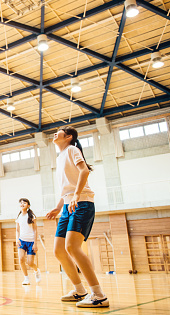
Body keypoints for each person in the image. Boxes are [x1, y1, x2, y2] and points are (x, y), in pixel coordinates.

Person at [46, 126, 109, 308]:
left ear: (68, 136)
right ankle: (79, 290)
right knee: (59, 250)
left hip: (82, 203)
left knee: (72, 247)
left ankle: (99, 295)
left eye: (59, 131)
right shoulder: (60, 157)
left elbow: (84, 171)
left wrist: (76, 195)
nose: (55, 133)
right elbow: (66, 187)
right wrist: (58, 208)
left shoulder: (73, 150)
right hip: (68, 206)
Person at [16, 198, 41, 285]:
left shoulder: (31, 216)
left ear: (28, 206)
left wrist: (35, 243)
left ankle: (36, 271)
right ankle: (26, 278)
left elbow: (35, 230)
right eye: (21, 203)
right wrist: (17, 239)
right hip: (22, 241)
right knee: (21, 259)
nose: (22, 204)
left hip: (31, 242)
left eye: (24, 203)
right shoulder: (19, 217)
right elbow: (17, 230)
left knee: (30, 263)